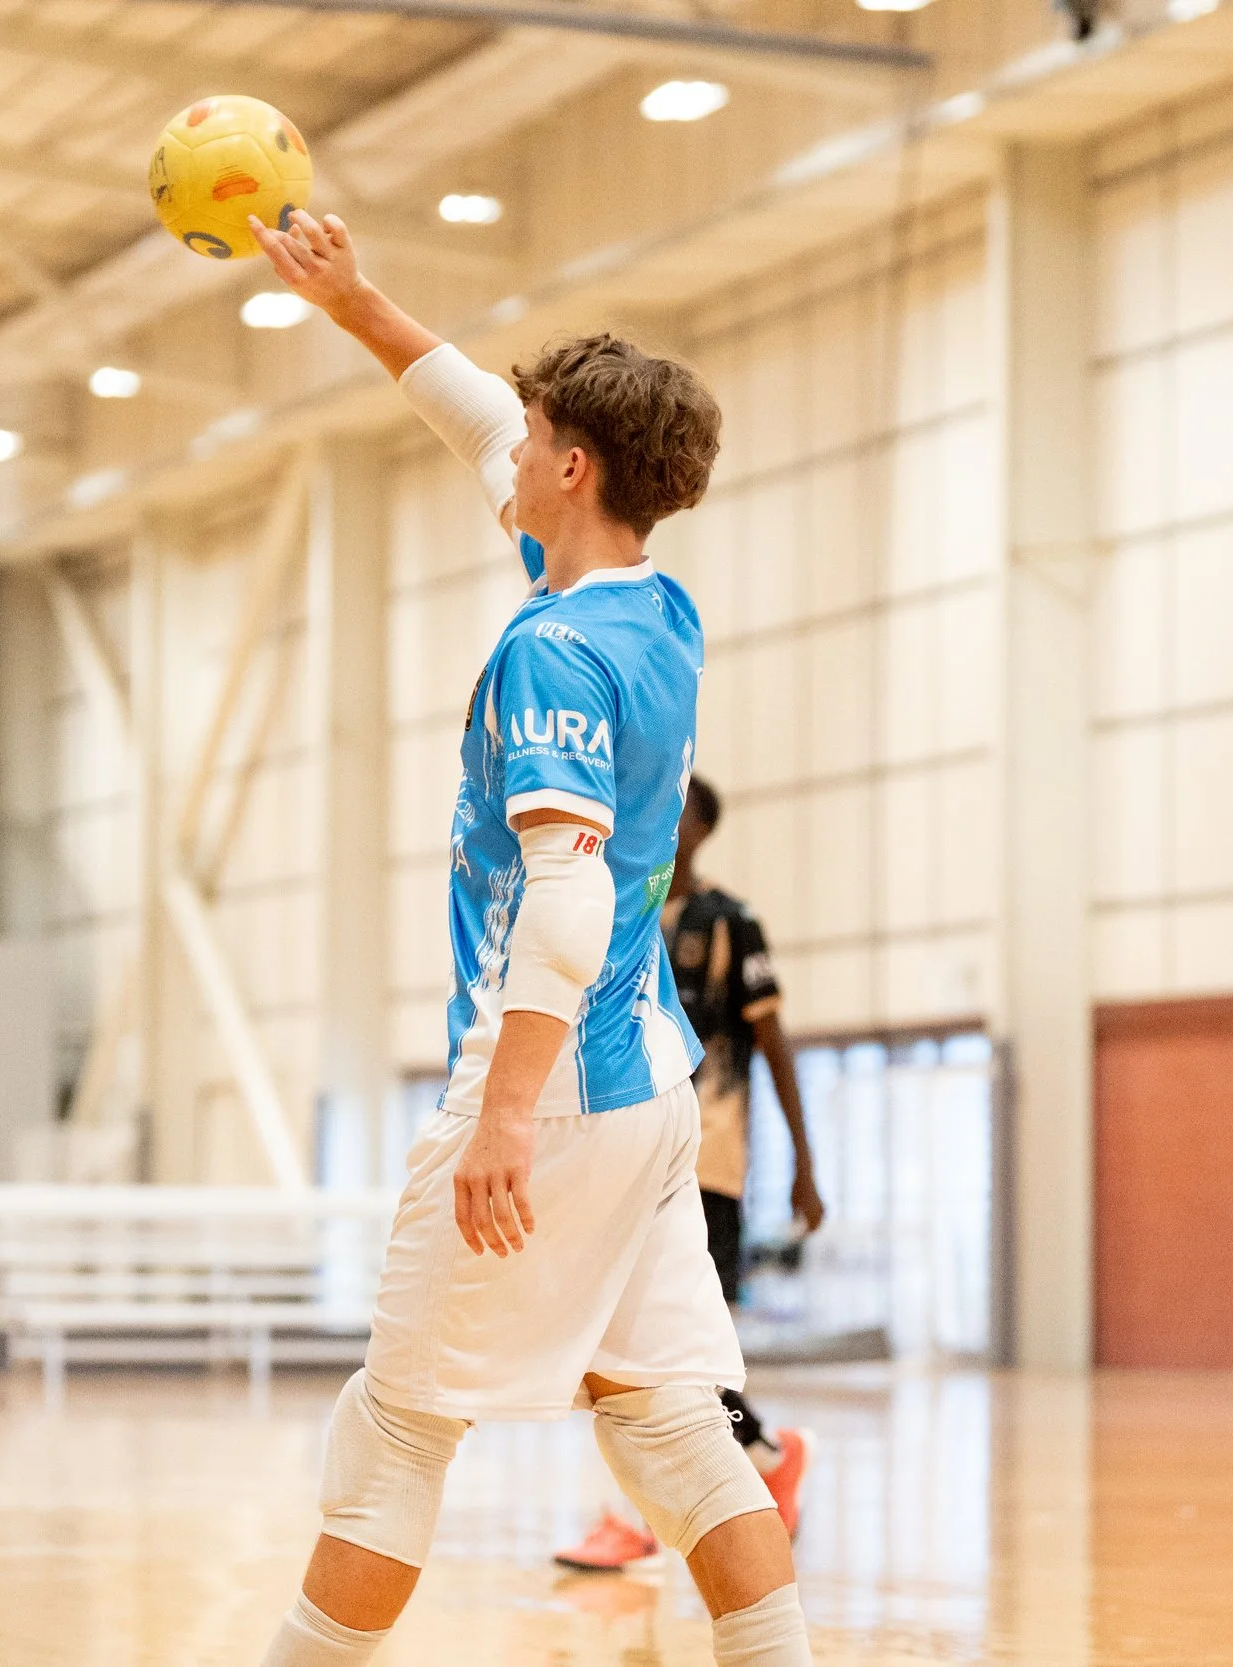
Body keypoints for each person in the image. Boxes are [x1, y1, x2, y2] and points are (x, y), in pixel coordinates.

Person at [248, 207, 813, 1667]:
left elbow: (564, 896)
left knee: (397, 1424)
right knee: (678, 1423)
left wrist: (503, 1108)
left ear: (571, 471)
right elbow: (485, 421)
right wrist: (356, 302)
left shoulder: (550, 649)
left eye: (536, 436)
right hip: (648, 1091)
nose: (509, 448)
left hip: (552, 1085)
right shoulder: (646, 605)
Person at [555, 774, 824, 1573]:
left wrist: (806, 1164)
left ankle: (669, 1501)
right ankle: (768, 1457)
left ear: (701, 826)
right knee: (617, 1342)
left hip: (707, 1159)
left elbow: (773, 1042)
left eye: (676, 811)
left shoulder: (730, 922)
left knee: (673, 1351)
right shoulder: (610, 911)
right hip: (620, 1153)